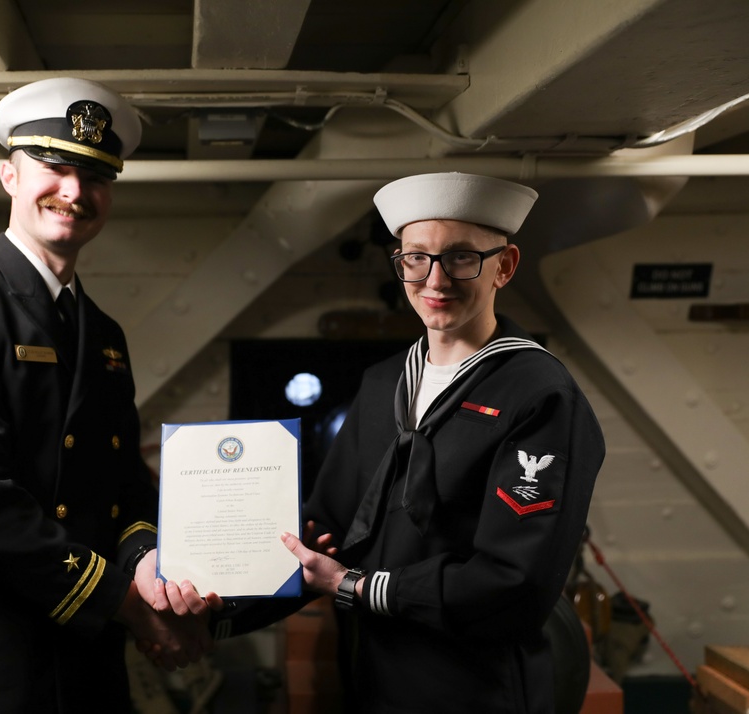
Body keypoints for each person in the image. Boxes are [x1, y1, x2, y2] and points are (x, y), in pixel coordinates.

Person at [213, 173, 605, 713]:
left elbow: (514, 584)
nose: (435, 280)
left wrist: (359, 587)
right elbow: (325, 531)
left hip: (475, 688)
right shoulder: (382, 384)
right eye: (416, 258)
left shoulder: (539, 395)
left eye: (462, 257)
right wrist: (213, 611)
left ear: (505, 266)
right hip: (371, 678)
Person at [0, 77, 214, 714]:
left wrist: (147, 558)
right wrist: (131, 608)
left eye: (93, 175)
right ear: (9, 176)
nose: (73, 191)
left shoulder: (104, 333)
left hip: (87, 666)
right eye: (54, 166)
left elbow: (123, 483)